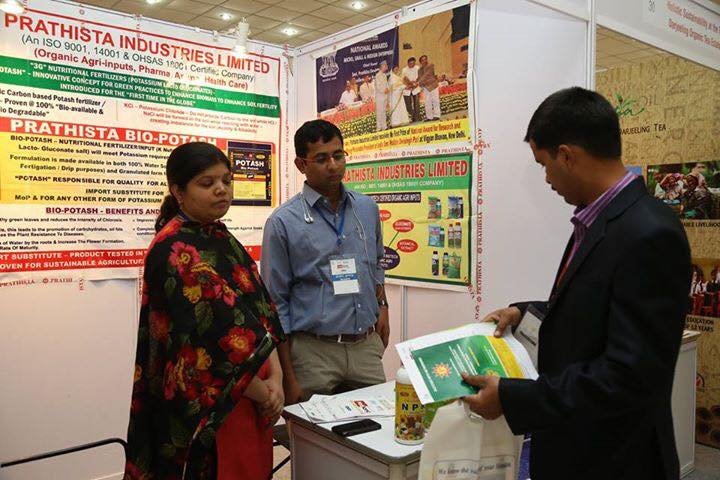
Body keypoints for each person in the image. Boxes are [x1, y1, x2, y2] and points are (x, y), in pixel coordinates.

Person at [460, 87, 691, 480]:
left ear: (567, 156)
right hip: (578, 448)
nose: (546, 179)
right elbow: (595, 308)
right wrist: (524, 312)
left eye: (544, 164)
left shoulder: (649, 233)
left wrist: (514, 398)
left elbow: (629, 375)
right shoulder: (598, 219)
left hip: (614, 460)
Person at [124, 142, 285, 480]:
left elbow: (261, 312)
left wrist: (277, 379)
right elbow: (208, 341)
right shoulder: (172, 248)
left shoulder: (220, 237)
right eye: (207, 182)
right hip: (213, 404)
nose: (221, 189)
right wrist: (263, 392)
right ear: (178, 191)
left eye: (226, 180)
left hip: (254, 394)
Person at [261, 120, 389, 405]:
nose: (333, 166)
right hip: (313, 352)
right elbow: (275, 303)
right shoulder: (283, 222)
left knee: (378, 425)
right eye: (321, 159)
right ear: (301, 164)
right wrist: (288, 377)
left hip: (365, 347)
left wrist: (383, 305)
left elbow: (377, 264)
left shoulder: (366, 209)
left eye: (338, 155)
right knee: (310, 431)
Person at [418, 55, 440, 121]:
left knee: (435, 101)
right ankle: (429, 117)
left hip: (433, 86)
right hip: (425, 87)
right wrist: (418, 82)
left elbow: (427, 75)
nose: (424, 61)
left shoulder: (430, 65)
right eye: (423, 60)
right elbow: (419, 77)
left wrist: (419, 82)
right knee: (427, 102)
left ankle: (437, 115)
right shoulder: (419, 70)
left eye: (425, 59)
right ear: (420, 62)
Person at [401, 57, 421, 122]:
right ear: (408, 63)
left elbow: (420, 77)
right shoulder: (404, 70)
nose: (412, 65)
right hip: (407, 89)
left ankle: (417, 118)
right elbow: (403, 79)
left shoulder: (417, 68)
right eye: (410, 63)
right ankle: (411, 117)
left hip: (416, 89)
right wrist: (409, 84)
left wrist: (416, 83)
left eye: (413, 63)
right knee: (408, 104)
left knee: (416, 104)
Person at [374, 61, 390, 131]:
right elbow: (378, 86)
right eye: (385, 65)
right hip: (380, 97)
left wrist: (387, 89)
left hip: (384, 96)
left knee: (383, 112)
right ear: (382, 66)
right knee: (379, 112)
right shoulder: (378, 75)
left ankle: (384, 126)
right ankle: (379, 127)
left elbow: (386, 85)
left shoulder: (384, 75)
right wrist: (384, 90)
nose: (386, 67)